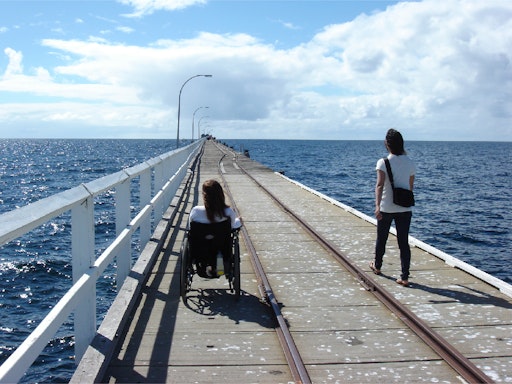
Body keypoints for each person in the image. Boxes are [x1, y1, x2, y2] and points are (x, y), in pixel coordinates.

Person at [370, 129, 416, 287]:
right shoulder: (410, 162)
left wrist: (377, 206)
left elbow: (379, 185)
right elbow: (410, 187)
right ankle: (404, 276)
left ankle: (377, 266)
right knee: (403, 242)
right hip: (404, 208)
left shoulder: (383, 162)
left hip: (387, 207)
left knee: (381, 239)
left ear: (387, 144)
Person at [188, 179, 242, 277]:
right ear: (221, 195)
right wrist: (239, 221)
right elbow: (233, 226)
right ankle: (220, 268)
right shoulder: (228, 212)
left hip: (200, 251)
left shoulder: (195, 211)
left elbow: (190, 228)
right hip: (221, 250)